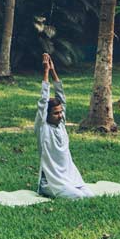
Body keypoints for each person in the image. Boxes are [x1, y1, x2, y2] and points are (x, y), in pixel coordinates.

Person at [36, 53, 92, 199]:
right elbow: (43, 101)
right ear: (47, 115)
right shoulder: (43, 128)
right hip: (51, 182)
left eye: (61, 112)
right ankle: (45, 189)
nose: (60, 115)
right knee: (78, 197)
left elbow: (61, 97)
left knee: (89, 195)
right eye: (56, 113)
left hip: (70, 177)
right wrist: (46, 71)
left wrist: (54, 70)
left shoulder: (60, 124)